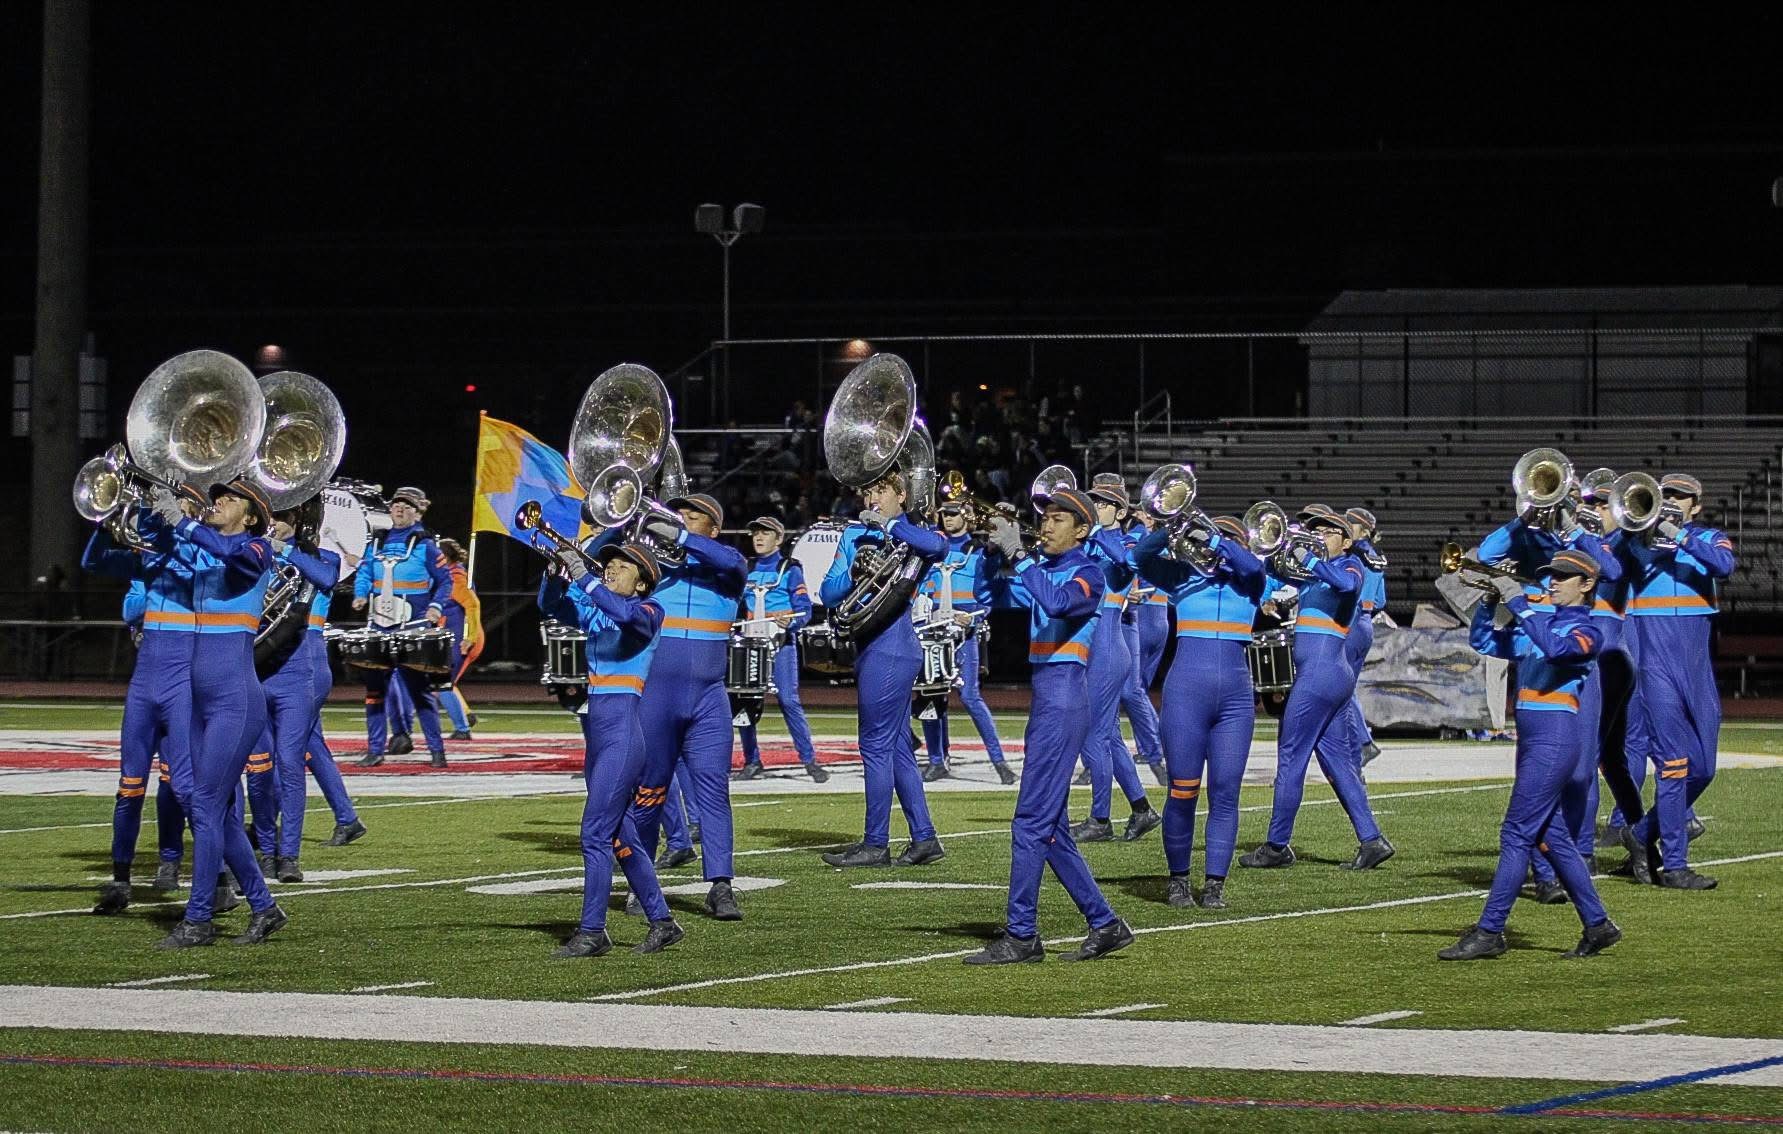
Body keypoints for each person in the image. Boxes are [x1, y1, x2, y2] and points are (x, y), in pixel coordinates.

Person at [966, 488, 1133, 964]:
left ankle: (1022, 934)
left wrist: (1018, 554)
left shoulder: (1089, 574)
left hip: (1064, 696)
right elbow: (986, 595)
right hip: (1048, 699)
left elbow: (1059, 605)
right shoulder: (1045, 570)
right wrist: (990, 551)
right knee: (1051, 828)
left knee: (1029, 823)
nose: (1047, 526)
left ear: (1082, 530)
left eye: (1059, 519)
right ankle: (1104, 923)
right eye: (1045, 518)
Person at [1440, 550, 1621, 960]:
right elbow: (1485, 641)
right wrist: (1489, 602)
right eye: (1551, 576)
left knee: (1516, 833)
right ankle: (1598, 924)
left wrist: (1519, 602)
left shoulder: (1589, 631)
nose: (1554, 582)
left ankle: (1490, 931)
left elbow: (1557, 650)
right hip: (1535, 739)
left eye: (1564, 577)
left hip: (1555, 739)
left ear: (1587, 585)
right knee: (1550, 835)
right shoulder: (1544, 624)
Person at [140, 481, 288, 947]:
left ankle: (199, 918)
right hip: (202, 699)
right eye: (217, 495)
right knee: (212, 809)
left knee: (204, 804)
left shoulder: (258, 547)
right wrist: (156, 512)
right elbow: (147, 550)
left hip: (234, 699)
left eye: (231, 499)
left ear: (250, 517)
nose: (218, 500)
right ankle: (264, 907)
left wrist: (182, 520)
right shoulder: (209, 549)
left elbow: (238, 559)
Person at [604, 492, 748, 920]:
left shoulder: (727, 568)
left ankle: (721, 884)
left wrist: (680, 534)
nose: (680, 518)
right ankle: (640, 881)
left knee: (714, 792)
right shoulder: (653, 570)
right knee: (648, 792)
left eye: (692, 514)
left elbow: (732, 562)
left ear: (713, 527)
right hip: (656, 696)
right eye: (677, 512)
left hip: (708, 697)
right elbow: (604, 559)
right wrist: (620, 521)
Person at [539, 539, 682, 957]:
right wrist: (554, 574)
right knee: (623, 838)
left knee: (594, 834)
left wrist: (582, 576)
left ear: (642, 584)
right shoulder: (601, 609)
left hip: (622, 733)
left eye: (622, 567)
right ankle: (663, 921)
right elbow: (551, 606)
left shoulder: (650, 612)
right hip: (599, 734)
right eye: (609, 565)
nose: (611, 570)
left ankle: (593, 931)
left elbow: (624, 615)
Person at [1240, 505, 1392, 871]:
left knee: (1291, 757)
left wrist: (1310, 556)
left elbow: (1349, 585)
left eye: (1327, 532)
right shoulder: (1312, 577)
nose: (1319, 537)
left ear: (1344, 539)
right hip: (1328, 675)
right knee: (1338, 761)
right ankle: (1372, 839)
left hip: (1321, 674)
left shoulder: (1351, 565)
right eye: (1315, 532)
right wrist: (1277, 562)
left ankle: (1276, 845)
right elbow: (1272, 574)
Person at [1133, 514, 1267, 910]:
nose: (1214, 546)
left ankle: (1214, 885)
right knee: (1183, 790)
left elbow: (1254, 565)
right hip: (1185, 695)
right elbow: (1141, 555)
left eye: (1229, 540)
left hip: (1236, 702)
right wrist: (1172, 528)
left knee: (1226, 793)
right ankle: (1178, 881)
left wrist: (1218, 539)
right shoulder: (1182, 577)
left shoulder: (1251, 581)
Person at [819, 471, 947, 868]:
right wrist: (855, 568)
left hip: (892, 646)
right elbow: (828, 592)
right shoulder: (853, 536)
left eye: (882, 490)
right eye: (868, 491)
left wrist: (890, 525)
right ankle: (924, 838)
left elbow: (938, 546)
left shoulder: (909, 533)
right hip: (870, 646)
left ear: (901, 495)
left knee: (873, 745)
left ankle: (876, 843)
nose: (872, 498)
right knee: (894, 747)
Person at [1621, 474, 1735, 889]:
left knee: (1704, 768)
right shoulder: (1636, 544)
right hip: (1656, 668)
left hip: (1696, 668)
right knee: (1674, 765)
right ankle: (1674, 865)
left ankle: (1641, 833)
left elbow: (1723, 565)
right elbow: (1609, 564)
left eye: (1679, 497)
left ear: (1696, 505)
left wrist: (1677, 534)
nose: (1670, 501)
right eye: (1665, 494)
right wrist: (1644, 532)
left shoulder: (1710, 537)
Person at [81, 521, 195, 912]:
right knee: (129, 787)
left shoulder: (200, 553)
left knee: (184, 787)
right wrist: (105, 523)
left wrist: (183, 528)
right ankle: (120, 882)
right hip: (145, 685)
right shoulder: (146, 561)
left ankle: (204, 874)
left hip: (183, 684)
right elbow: (92, 561)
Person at [254, 505, 354, 882]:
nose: (273, 525)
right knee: (259, 767)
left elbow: (327, 577)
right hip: (259, 665)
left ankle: (289, 855)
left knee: (290, 760)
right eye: (270, 518)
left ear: (296, 522)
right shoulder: (254, 553)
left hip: (301, 666)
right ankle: (265, 847)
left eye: (280, 519)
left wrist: (285, 551)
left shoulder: (317, 556)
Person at [1072, 481, 1158, 843]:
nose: (1095, 507)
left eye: (1103, 504)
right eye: (1092, 502)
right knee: (1108, 737)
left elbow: (1127, 563)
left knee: (1091, 734)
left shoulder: (1127, 542)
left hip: (1109, 644)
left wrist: (1091, 531)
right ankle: (1141, 809)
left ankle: (1100, 819)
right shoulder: (1090, 543)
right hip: (1097, 641)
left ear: (1120, 512)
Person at [351, 487, 453, 768]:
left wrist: (436, 607)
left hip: (413, 625)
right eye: (396, 504)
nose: (399, 509)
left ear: (418, 512)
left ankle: (437, 751)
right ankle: (374, 750)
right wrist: (360, 594)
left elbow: (445, 581)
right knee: (374, 692)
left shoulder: (426, 544)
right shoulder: (376, 541)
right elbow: (364, 571)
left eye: (407, 506)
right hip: (379, 625)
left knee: (419, 691)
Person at [918, 500, 1016, 785]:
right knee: (930, 696)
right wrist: (927, 612)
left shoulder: (979, 551)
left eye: (952, 514)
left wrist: (971, 618)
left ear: (966, 516)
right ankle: (937, 761)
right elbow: (925, 588)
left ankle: (999, 762)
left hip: (965, 632)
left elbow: (989, 593)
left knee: (971, 696)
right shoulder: (933, 548)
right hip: (934, 630)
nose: (946, 518)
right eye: (943, 514)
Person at [733, 517, 828, 783]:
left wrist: (792, 622)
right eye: (755, 534)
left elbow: (805, 609)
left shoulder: (789, 568)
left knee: (788, 700)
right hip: (752, 642)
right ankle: (752, 761)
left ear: (779, 539)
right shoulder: (746, 568)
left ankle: (809, 760)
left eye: (765, 533)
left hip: (780, 644)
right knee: (746, 701)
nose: (758, 538)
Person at [1343, 507, 1387, 768]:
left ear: (1362, 529)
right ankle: (1358, 741)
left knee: (1342, 688)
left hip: (1350, 620)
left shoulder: (1354, 553)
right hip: (1366, 623)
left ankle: (1362, 742)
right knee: (1347, 687)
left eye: (1350, 523)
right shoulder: (1377, 556)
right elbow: (1381, 599)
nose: (1345, 526)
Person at [436, 538, 483, 740]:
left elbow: (472, 606)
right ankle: (465, 715)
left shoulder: (456, 579)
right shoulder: (449, 575)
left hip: (462, 638)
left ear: (445, 558)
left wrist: (469, 637)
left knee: (441, 682)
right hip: (451, 637)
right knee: (442, 682)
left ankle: (463, 726)